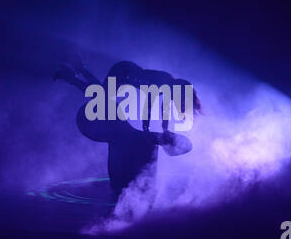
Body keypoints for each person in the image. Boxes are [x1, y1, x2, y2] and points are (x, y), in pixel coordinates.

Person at [54, 57, 199, 195]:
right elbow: (148, 108)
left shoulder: (168, 86)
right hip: (122, 71)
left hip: (127, 73)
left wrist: (161, 131)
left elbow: (164, 113)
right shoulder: (164, 84)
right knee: (101, 97)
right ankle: (73, 74)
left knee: (102, 97)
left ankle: (78, 71)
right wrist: (148, 132)